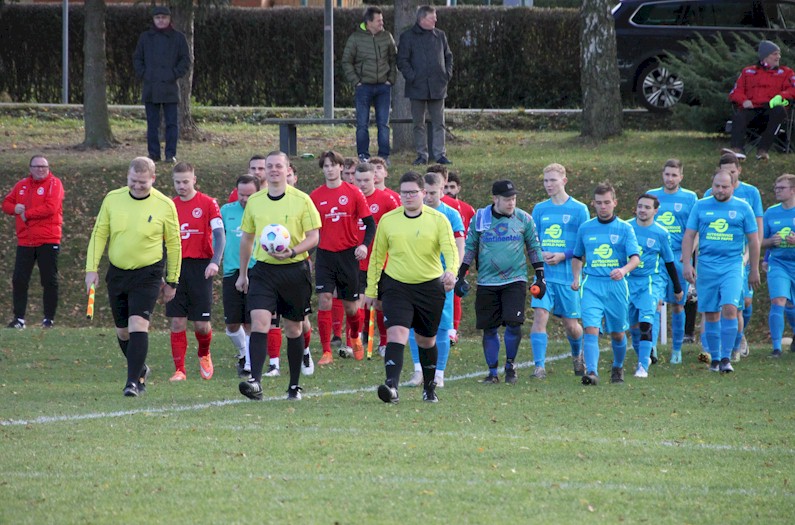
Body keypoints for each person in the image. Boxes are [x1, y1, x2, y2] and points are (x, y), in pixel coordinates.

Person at [85, 157, 181, 397]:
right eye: (133, 181)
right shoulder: (112, 198)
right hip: (118, 272)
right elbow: (99, 235)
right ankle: (141, 368)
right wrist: (91, 269)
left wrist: (172, 281)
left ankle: (132, 382)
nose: (138, 186)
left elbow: (175, 244)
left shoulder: (165, 205)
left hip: (148, 273)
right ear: (127, 177)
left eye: (143, 182)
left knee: (138, 324)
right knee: (123, 331)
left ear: (153, 179)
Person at [365, 171, 458, 404]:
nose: (408, 197)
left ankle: (429, 387)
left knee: (426, 340)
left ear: (423, 193)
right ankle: (392, 387)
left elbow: (451, 251)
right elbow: (377, 257)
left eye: (413, 192)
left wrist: (452, 272)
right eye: (404, 193)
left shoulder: (438, 220)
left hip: (429, 287)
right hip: (396, 286)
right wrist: (371, 290)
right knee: (397, 332)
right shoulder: (388, 220)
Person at [236, 151, 321, 401]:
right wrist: (243, 274)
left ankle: (294, 386)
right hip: (263, 271)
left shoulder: (302, 200)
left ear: (287, 170)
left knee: (293, 328)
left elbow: (314, 237)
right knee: (260, 321)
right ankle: (255, 382)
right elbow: (248, 238)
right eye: (269, 166)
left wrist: (293, 250)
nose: (273, 170)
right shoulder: (255, 200)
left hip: (294, 269)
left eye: (278, 166)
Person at [456, 179, 545, 384]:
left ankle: (510, 365)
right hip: (487, 281)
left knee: (514, 323)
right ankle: (493, 372)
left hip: (515, 280)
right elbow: (470, 247)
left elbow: (533, 247)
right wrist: (461, 274)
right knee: (490, 327)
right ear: (495, 198)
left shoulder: (524, 218)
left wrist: (540, 275)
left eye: (513, 198)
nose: (511, 203)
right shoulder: (480, 218)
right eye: (506, 199)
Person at [681, 169, 760, 374]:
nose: (720, 190)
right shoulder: (701, 205)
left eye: (725, 186)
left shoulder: (743, 208)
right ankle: (715, 359)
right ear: (712, 185)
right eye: (717, 186)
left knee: (730, 308)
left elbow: (753, 240)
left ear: (733, 186)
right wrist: (687, 264)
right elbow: (689, 236)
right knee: (711, 313)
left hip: (732, 266)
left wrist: (754, 269)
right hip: (706, 266)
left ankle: (726, 357)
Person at [310, 151, 376, 364]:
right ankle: (326, 351)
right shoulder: (315, 196)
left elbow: (370, 224)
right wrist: (307, 255)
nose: (329, 169)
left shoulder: (354, 193)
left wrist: (364, 246)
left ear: (341, 168)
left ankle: (355, 336)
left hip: (348, 256)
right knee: (325, 299)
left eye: (333, 165)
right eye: (325, 165)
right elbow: (311, 231)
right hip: (325, 255)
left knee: (351, 307)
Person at [572, 183, 640, 386]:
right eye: (599, 203)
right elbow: (577, 257)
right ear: (593, 204)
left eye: (607, 202)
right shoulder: (585, 228)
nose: (603, 206)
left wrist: (623, 270)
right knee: (590, 328)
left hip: (616, 286)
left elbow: (635, 258)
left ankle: (618, 366)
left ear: (615, 203)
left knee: (618, 333)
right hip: (592, 284)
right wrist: (576, 277)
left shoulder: (625, 228)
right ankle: (591, 372)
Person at [530, 163, 590, 378]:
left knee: (571, 325)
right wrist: (541, 253)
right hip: (545, 276)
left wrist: (563, 255)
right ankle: (539, 367)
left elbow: (584, 245)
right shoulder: (539, 209)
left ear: (564, 181)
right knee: (540, 316)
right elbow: (532, 240)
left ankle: (577, 355)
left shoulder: (579, 209)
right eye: (545, 180)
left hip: (568, 277)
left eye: (553, 180)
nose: (548, 185)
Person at [166, 163, 225, 382]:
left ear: (194, 180)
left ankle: (204, 353)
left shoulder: (208, 203)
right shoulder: (169, 206)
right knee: (177, 322)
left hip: (201, 268)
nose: (181, 186)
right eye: (177, 182)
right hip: (176, 267)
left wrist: (215, 262)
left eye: (185, 181)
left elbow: (219, 235)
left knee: (201, 324)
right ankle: (180, 370)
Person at [405, 172, 464, 388]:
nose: (429, 197)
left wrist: (453, 271)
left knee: (441, 326)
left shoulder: (451, 214)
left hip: (441, 279)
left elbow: (459, 244)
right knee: (414, 325)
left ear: (442, 190)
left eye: (433, 192)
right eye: (426, 193)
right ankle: (418, 371)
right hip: (415, 277)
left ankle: (439, 373)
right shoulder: (413, 213)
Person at [705, 153, 764, 361]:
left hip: (744, 255)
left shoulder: (751, 193)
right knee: (724, 305)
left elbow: (757, 229)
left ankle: (739, 337)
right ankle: (724, 348)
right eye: (725, 171)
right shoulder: (709, 195)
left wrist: (749, 258)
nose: (728, 175)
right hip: (717, 260)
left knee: (745, 302)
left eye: (732, 171)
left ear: (739, 171)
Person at [3, 155, 64, 329]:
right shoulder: (21, 185)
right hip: (25, 240)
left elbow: (51, 207)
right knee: (19, 280)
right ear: (30, 168)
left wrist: (26, 214)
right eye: (37, 166)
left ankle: (49, 319)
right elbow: (6, 203)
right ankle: (19, 319)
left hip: (48, 239)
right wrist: (14, 208)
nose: (40, 169)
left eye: (44, 166)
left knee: (49, 280)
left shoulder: (54, 184)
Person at [647, 159, 698, 364]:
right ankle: (651, 349)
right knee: (656, 303)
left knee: (678, 305)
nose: (670, 179)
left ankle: (676, 349)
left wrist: (688, 254)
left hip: (677, 257)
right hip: (656, 259)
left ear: (681, 177)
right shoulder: (652, 195)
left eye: (674, 175)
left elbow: (696, 230)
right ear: (663, 175)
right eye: (667, 174)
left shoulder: (690, 197)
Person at [627, 194, 683, 378]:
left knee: (645, 322)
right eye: (640, 206)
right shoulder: (626, 227)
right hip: (628, 280)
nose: (642, 210)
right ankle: (645, 355)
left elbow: (669, 261)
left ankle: (642, 367)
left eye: (647, 207)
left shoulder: (661, 232)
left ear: (655, 211)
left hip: (651, 281)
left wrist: (677, 287)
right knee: (632, 325)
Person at [133, 6, 191, 164]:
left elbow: (185, 60)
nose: (161, 20)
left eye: (164, 17)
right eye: (158, 18)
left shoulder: (178, 38)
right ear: (153, 20)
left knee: (172, 123)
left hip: (170, 86)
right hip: (151, 87)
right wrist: (145, 74)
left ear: (169, 19)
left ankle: (170, 154)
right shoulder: (145, 37)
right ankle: (153, 154)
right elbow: (137, 59)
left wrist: (173, 74)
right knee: (152, 123)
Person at [397, 5, 453, 166]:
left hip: (438, 86)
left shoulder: (440, 36)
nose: (435, 19)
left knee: (439, 122)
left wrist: (446, 74)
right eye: (432, 17)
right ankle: (422, 155)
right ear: (422, 19)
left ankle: (440, 154)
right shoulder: (408, 37)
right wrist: (412, 76)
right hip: (417, 87)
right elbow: (402, 60)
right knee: (418, 124)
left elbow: (448, 56)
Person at [353, 163, 400, 357]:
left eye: (366, 180)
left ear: (375, 179)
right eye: (359, 180)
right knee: (358, 303)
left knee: (379, 304)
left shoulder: (386, 199)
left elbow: (398, 226)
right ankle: (357, 342)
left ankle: (384, 341)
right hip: (355, 260)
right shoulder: (352, 198)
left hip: (381, 260)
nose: (362, 184)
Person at [342, 6, 397, 164]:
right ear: (369, 22)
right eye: (378, 20)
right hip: (363, 87)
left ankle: (383, 156)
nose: (382, 23)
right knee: (362, 124)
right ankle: (363, 155)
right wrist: (356, 81)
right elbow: (346, 61)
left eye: (382, 20)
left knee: (383, 124)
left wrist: (390, 79)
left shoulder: (387, 36)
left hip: (383, 87)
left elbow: (394, 59)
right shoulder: (355, 38)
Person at [728, 40, 795, 161]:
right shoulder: (748, 72)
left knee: (779, 111)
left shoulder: (786, 72)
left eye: (779, 54)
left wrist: (782, 96)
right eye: (775, 54)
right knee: (739, 115)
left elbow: (793, 89)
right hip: (752, 109)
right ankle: (737, 150)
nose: (778, 57)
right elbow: (735, 92)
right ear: (765, 56)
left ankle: (763, 150)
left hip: (771, 110)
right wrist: (743, 101)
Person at [220, 175, 260, 379]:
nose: (244, 199)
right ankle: (243, 353)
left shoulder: (263, 211)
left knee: (251, 322)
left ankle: (250, 365)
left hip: (257, 270)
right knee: (232, 325)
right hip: (231, 272)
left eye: (249, 195)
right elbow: (217, 239)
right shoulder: (226, 211)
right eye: (241, 194)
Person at [762, 173, 795, 357]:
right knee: (778, 300)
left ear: (793, 190)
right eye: (776, 187)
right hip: (779, 263)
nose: (777, 191)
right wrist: (770, 242)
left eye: (781, 188)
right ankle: (776, 348)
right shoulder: (771, 212)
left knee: (791, 305)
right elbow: (759, 241)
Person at [443, 171, 476, 344]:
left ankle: (452, 331)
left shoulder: (467, 209)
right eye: (446, 186)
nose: (448, 190)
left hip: (459, 257)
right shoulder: (438, 206)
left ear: (458, 188)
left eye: (452, 187)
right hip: (439, 257)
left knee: (455, 295)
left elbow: (473, 235)